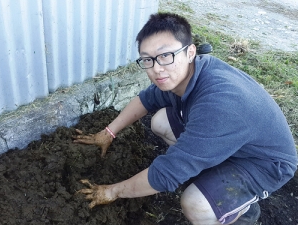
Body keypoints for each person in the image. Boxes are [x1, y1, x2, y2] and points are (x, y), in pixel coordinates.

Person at [72, 13, 297, 225]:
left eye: (165, 56)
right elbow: (145, 100)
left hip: (263, 164)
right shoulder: (185, 75)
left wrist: (111, 191)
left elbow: (166, 174)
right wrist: (108, 133)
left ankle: (242, 212)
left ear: (190, 52)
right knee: (159, 121)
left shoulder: (220, 104)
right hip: (229, 142)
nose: (157, 68)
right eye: (147, 60)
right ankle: (205, 165)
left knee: (194, 204)